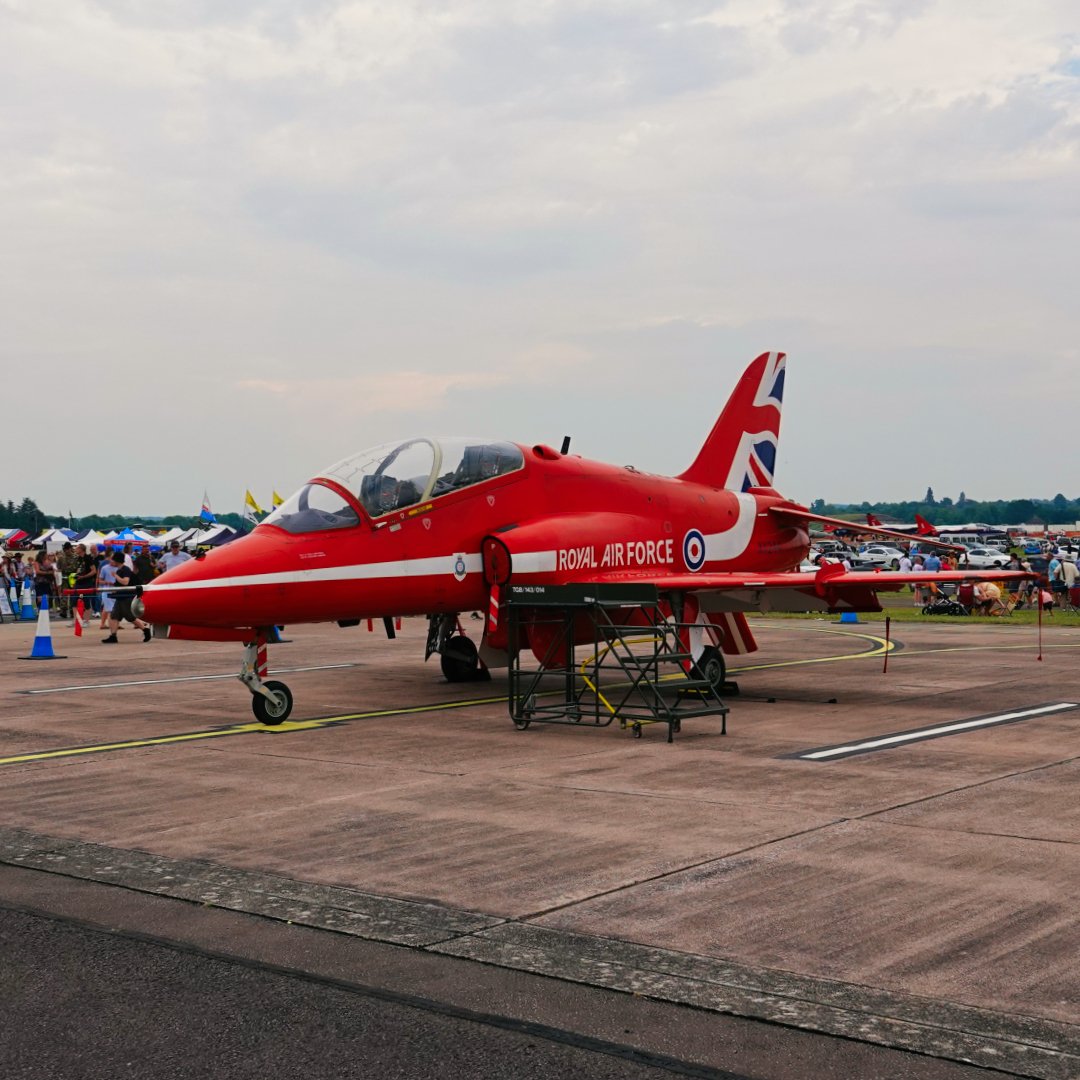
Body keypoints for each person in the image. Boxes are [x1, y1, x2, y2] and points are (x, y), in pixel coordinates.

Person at [102, 550, 151, 643]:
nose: (111, 561)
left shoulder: (125, 570)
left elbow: (125, 582)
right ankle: (113, 636)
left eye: (113, 560)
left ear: (117, 561)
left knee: (130, 617)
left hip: (126, 597)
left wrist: (115, 576)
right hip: (120, 597)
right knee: (114, 616)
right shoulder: (120, 570)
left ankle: (145, 630)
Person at [72, 542, 98, 617]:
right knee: (74, 601)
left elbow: (94, 571)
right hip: (78, 582)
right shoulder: (77, 558)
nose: (75, 549)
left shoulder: (88, 558)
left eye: (77, 548)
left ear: (81, 549)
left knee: (86, 601)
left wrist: (84, 577)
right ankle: (76, 620)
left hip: (86, 583)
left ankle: (86, 620)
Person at [56, 542, 79, 618]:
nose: (66, 551)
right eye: (65, 549)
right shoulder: (61, 558)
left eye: (68, 549)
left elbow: (78, 567)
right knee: (64, 594)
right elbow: (58, 568)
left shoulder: (76, 557)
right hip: (65, 578)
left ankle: (73, 610)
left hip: (73, 577)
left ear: (70, 548)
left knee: (74, 594)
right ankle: (64, 611)